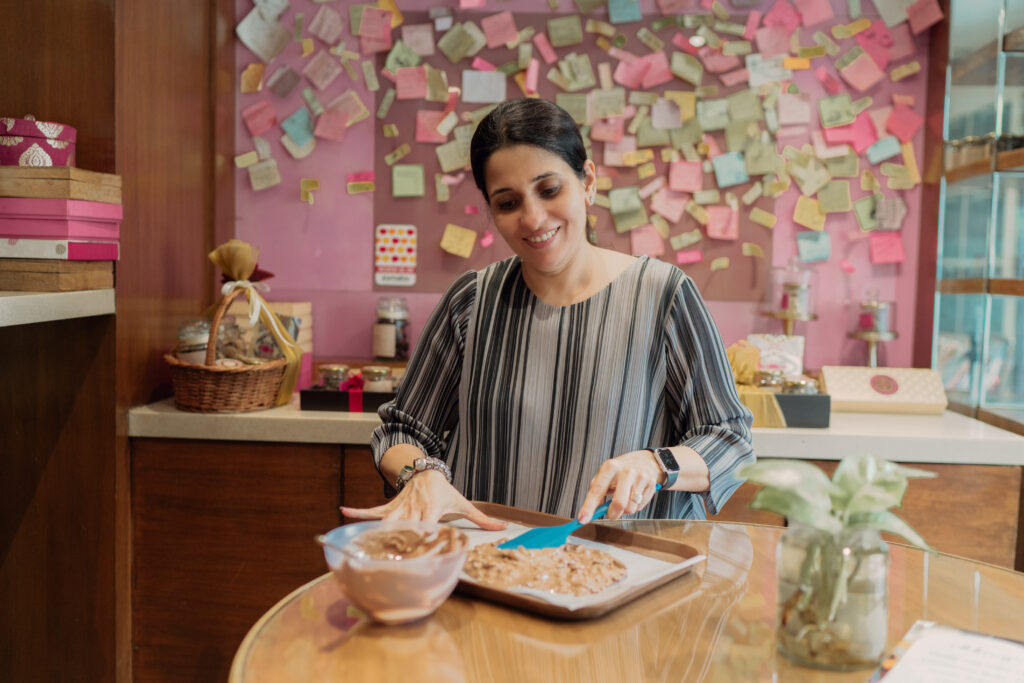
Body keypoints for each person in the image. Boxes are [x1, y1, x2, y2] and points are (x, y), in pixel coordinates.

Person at [342, 98, 753, 530]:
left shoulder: (664, 295)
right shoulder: (470, 302)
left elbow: (730, 437)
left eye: (549, 189)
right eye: (507, 202)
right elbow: (402, 430)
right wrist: (420, 474)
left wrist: (657, 464)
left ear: (588, 181)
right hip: (487, 567)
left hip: (618, 574)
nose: (533, 218)